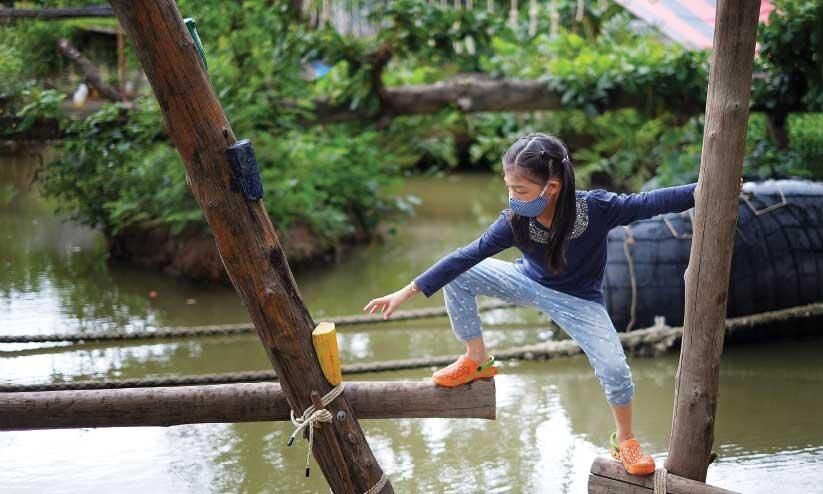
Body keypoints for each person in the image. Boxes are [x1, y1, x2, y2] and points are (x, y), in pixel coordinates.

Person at [363, 132, 740, 475]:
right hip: (526, 281)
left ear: (552, 187)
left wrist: (710, 187)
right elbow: (466, 255)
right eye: (509, 187)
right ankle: (476, 359)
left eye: (521, 189)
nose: (513, 197)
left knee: (615, 370)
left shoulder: (595, 209)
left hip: (580, 301)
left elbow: (649, 203)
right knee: (461, 274)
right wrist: (407, 291)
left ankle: (624, 439)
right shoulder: (514, 221)